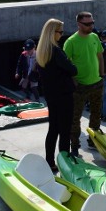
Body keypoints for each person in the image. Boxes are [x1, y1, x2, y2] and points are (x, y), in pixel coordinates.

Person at [36, 19, 77, 172]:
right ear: (52, 33)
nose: (62, 35)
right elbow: (73, 70)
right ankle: (65, 164)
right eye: (60, 32)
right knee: (65, 130)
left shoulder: (42, 51)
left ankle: (49, 161)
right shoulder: (56, 51)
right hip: (64, 94)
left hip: (51, 95)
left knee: (53, 128)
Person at [63, 11, 105, 155]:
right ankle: (74, 145)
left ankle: (93, 140)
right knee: (75, 118)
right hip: (80, 86)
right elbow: (65, 65)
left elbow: (100, 56)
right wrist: (74, 82)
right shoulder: (71, 42)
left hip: (97, 83)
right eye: (87, 24)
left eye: (92, 23)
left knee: (96, 114)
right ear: (79, 25)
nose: (91, 26)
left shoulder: (94, 37)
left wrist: (102, 74)